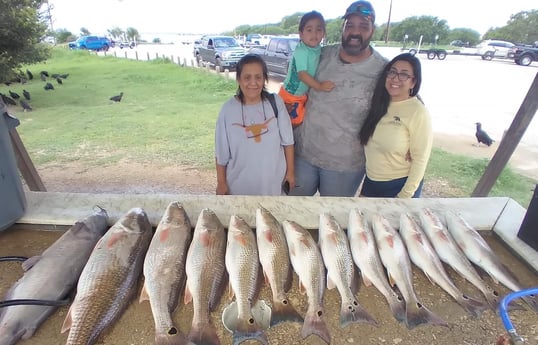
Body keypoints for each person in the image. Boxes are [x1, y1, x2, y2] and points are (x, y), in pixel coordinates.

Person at [290, 0, 387, 197]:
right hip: (304, 155)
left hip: (345, 166)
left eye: (363, 26)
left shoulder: (383, 69)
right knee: (293, 214)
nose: (355, 32)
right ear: (342, 27)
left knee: (333, 221)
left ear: (373, 30)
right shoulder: (321, 54)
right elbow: (293, 83)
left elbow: (406, 102)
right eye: (349, 25)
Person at [215, 54, 295, 195]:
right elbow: (221, 154)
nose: (253, 83)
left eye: (258, 77)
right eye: (247, 77)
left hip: (273, 187)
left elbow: (288, 142)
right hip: (238, 188)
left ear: (264, 79)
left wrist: (290, 173)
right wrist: (221, 183)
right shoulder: (227, 110)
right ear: (239, 79)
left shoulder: (275, 103)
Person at [358, 53, 432, 198]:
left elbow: (420, 159)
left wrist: (405, 196)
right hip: (372, 181)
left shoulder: (418, 112)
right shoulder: (379, 103)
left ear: (413, 82)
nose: (395, 79)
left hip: (398, 185)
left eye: (404, 75)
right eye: (392, 72)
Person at [278, 10, 335, 128]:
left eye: (319, 30)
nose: (314, 34)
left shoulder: (317, 48)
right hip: (290, 96)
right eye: (309, 30)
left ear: (324, 33)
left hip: (301, 95)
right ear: (301, 34)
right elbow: (302, 75)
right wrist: (319, 86)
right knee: (292, 124)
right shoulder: (302, 50)